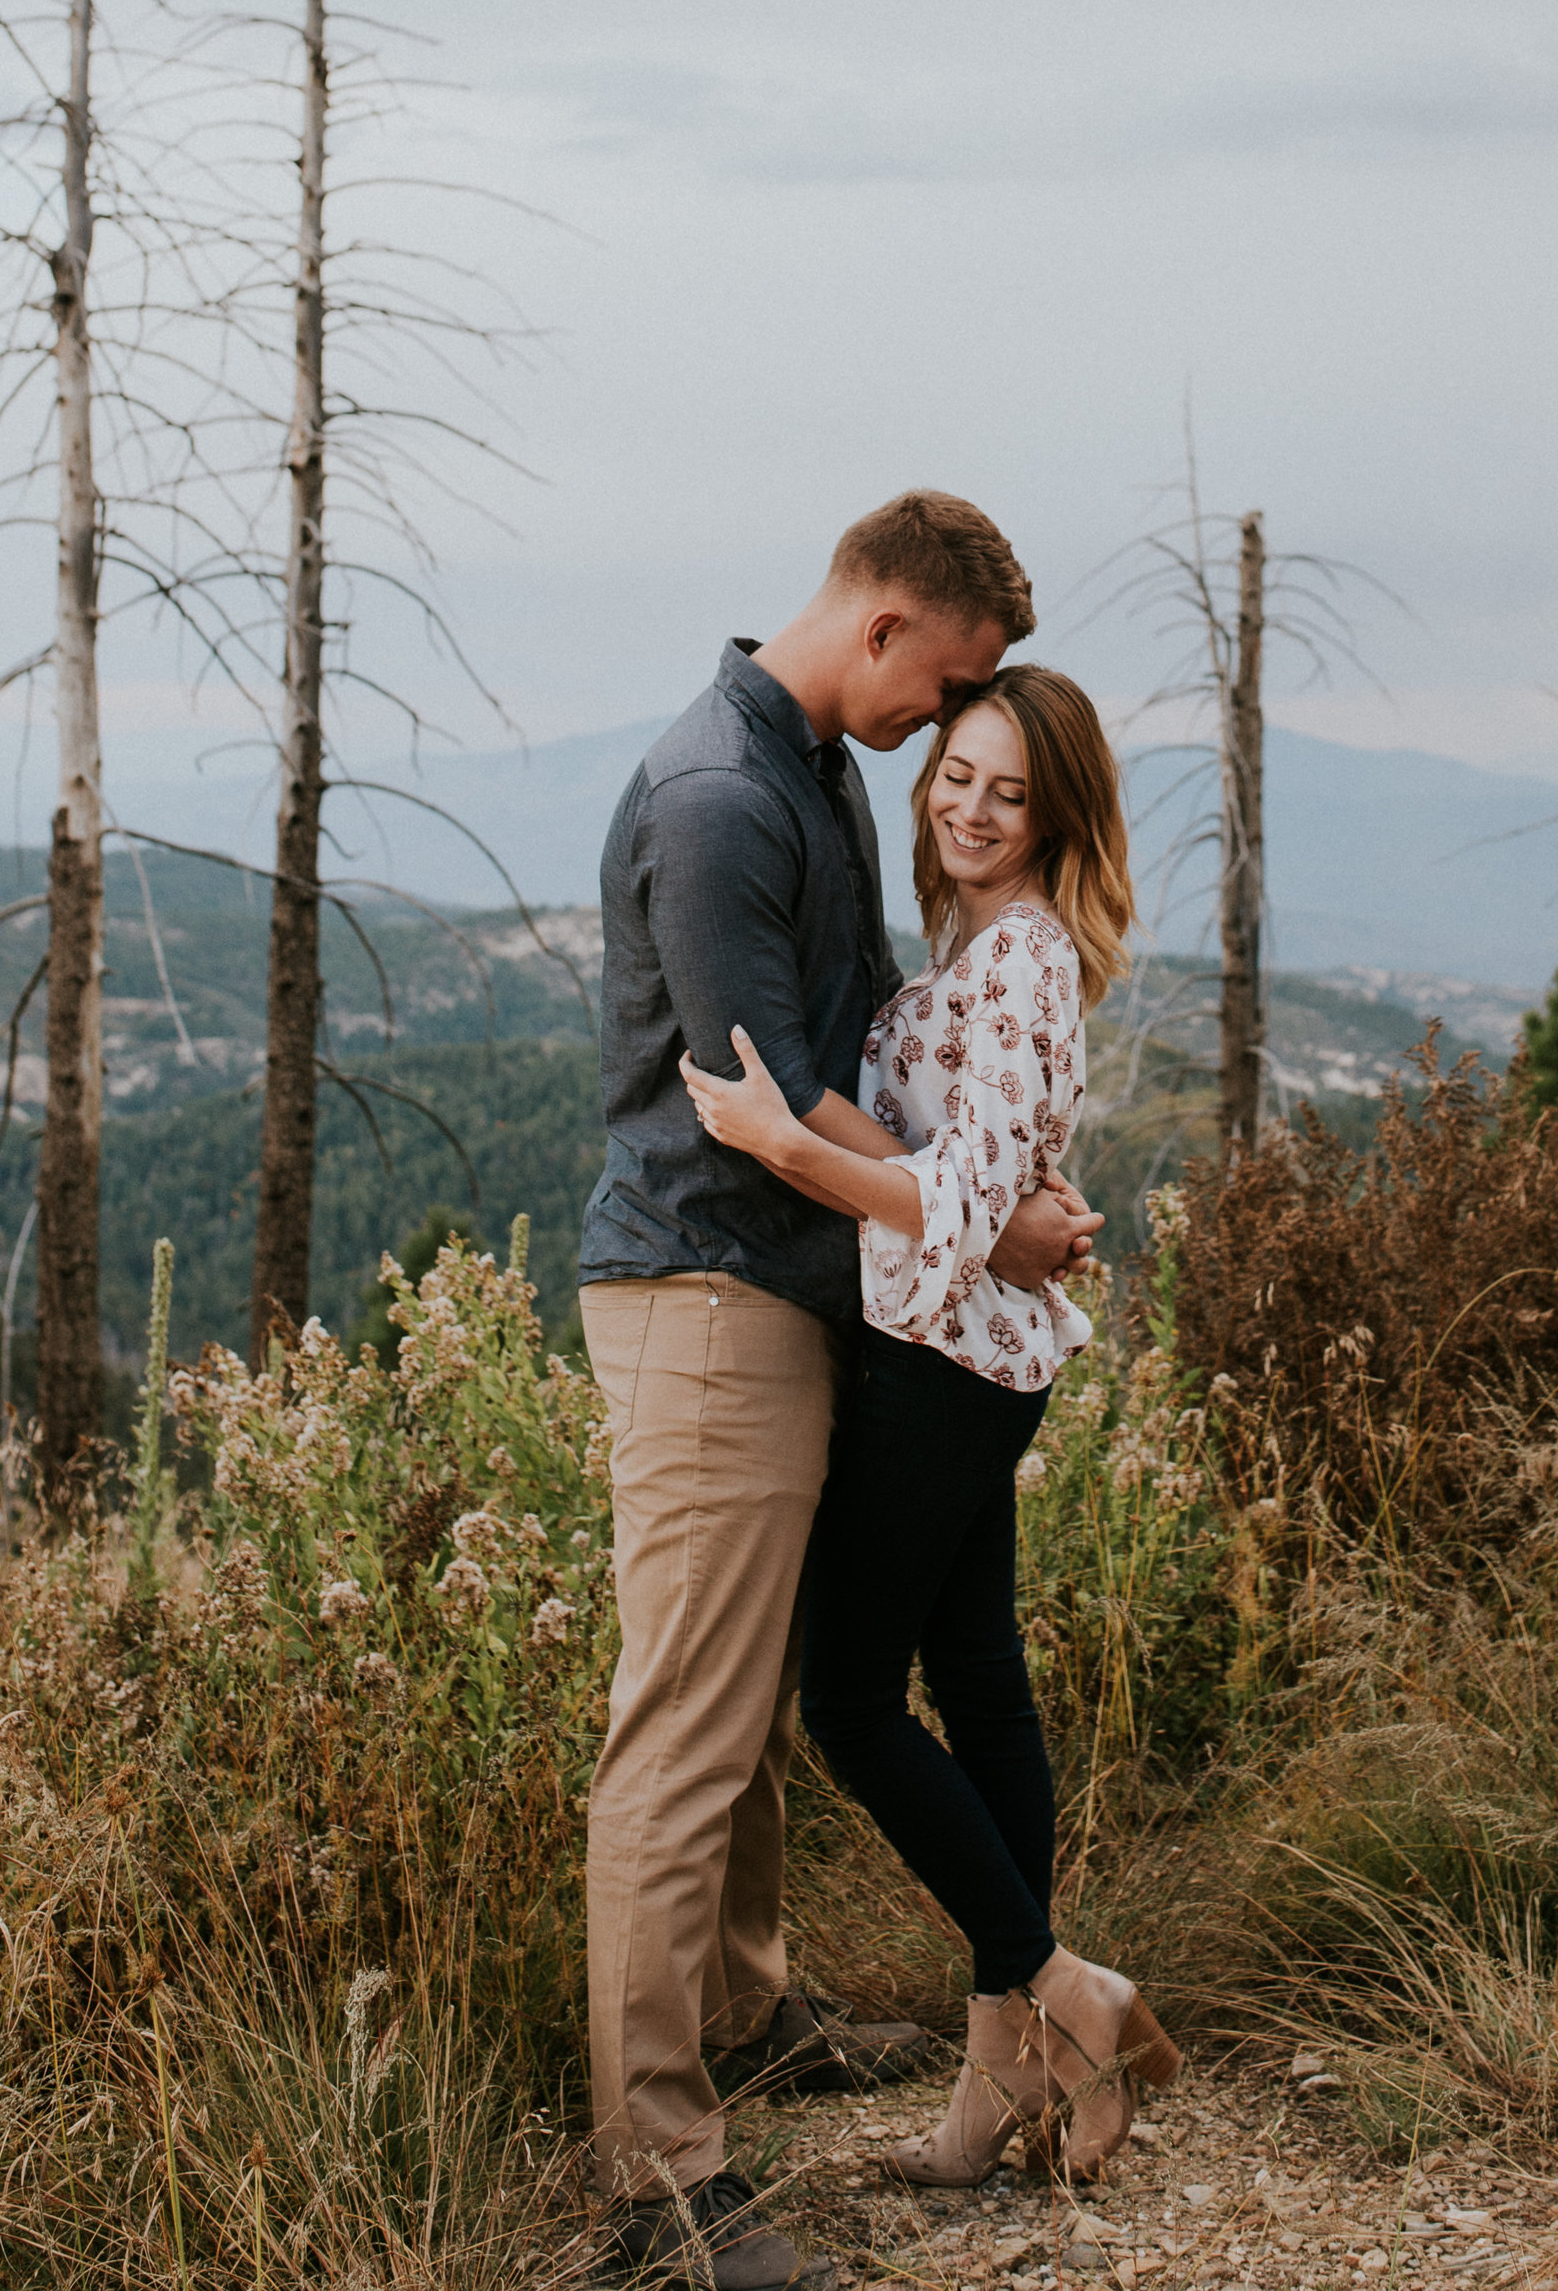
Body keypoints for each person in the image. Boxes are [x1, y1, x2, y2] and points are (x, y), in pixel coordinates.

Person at [579, 496, 1106, 2291]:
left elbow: (880, 1028)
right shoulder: (726, 798)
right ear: (885, 628)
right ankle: (664, 2177)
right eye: (945, 693)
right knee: (692, 1729)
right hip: (707, 1287)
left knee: (757, 1713)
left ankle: (753, 2012)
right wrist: (987, 1217)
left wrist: (990, 1199)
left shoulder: (811, 766)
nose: (937, 738)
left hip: (803, 1295)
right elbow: (783, 1102)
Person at [683, 663, 1180, 2199]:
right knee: (977, 1684)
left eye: (1007, 789)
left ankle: (1067, 1992)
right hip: (977, 1352)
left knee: (847, 1698)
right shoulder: (987, 941)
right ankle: (998, 2080)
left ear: (1056, 815)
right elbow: (978, 1174)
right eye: (956, 772)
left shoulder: (1021, 954)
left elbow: (956, 1202)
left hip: (947, 1363)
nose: (969, 803)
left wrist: (777, 1140)